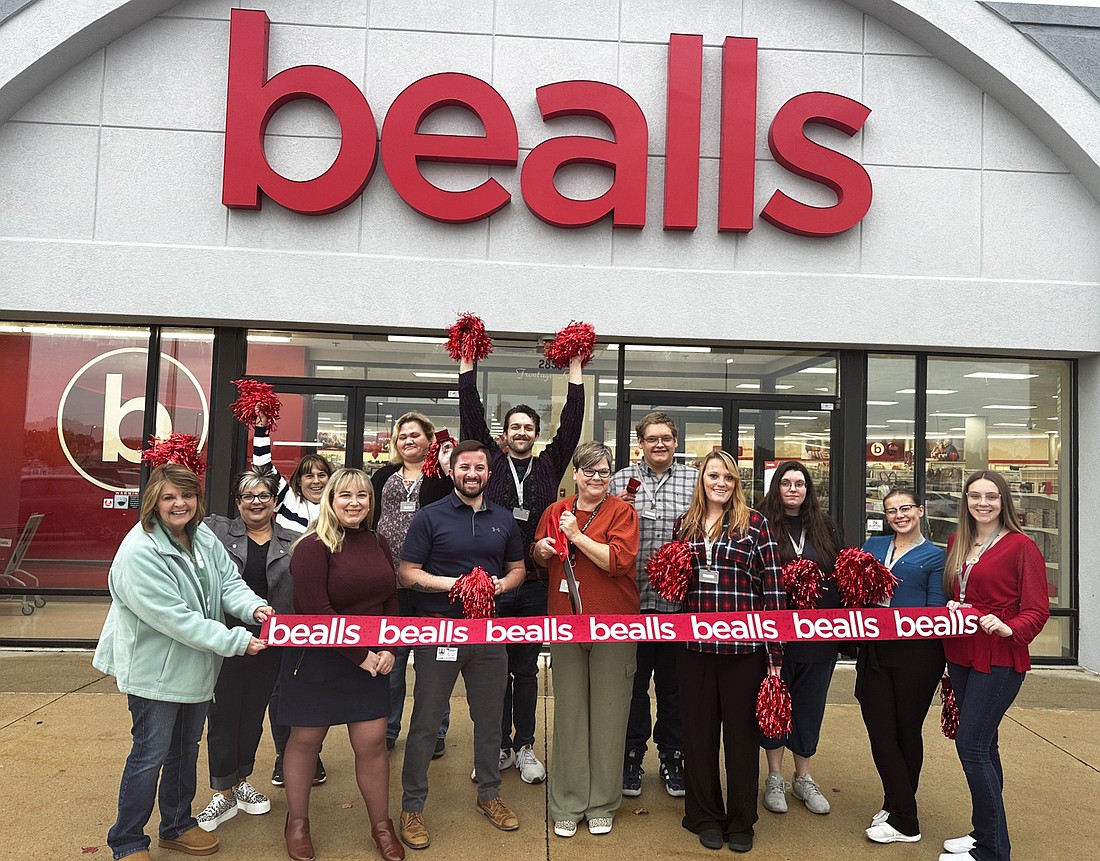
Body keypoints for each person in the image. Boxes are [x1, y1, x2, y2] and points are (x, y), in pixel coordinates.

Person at [93, 464, 272, 861]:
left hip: (195, 668)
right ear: (153, 500)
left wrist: (254, 608)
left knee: (185, 749)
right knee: (149, 754)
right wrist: (236, 640)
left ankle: (176, 825)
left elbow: (228, 582)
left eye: (187, 495)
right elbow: (176, 618)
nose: (180, 504)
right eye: (170, 496)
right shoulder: (140, 551)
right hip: (155, 672)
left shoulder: (201, 534)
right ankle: (127, 841)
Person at [458, 353, 584, 784]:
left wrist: (575, 369)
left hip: (533, 583)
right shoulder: (490, 460)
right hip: (492, 583)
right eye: (515, 427)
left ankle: (526, 744)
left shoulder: (550, 463)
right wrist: (465, 364)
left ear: (536, 434)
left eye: (529, 428)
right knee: (493, 669)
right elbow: (470, 413)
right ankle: (497, 746)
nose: (522, 433)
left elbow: (572, 423)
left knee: (526, 668)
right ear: (504, 434)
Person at [397, 440, 527, 850]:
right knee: (425, 722)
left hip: (487, 632)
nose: (472, 474)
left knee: (490, 721)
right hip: (439, 630)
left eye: (480, 468)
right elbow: (407, 573)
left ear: (490, 473)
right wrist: (455, 586)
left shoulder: (504, 520)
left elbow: (518, 568)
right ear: (452, 471)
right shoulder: (429, 517)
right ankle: (412, 805)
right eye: (465, 467)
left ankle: (489, 795)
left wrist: (500, 585)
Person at [278, 468, 404, 861]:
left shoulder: (379, 541)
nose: (354, 503)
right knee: (306, 741)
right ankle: (297, 822)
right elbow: (317, 611)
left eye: (363, 496)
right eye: (345, 495)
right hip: (320, 659)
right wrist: (362, 655)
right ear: (330, 500)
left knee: (371, 744)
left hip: (372, 661)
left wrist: (389, 649)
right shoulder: (313, 546)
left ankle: (382, 826)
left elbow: (390, 601)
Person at [675, 450, 784, 853]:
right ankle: (704, 814)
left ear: (737, 483)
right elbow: (675, 587)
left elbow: (773, 593)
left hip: (744, 651)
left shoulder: (755, 526)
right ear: (701, 480)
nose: (720, 483)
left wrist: (775, 659)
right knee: (698, 736)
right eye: (713, 475)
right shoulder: (683, 526)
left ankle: (742, 819)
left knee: (741, 739)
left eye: (728, 477)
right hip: (693, 648)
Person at [938, 471, 1049, 861]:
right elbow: (961, 591)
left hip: (999, 657)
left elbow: (1037, 609)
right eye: (974, 496)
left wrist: (1009, 627)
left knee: (972, 746)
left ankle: (993, 850)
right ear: (965, 501)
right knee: (987, 746)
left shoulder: (1022, 546)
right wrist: (956, 605)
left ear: (1004, 501)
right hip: (962, 653)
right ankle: (984, 832)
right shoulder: (958, 541)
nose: (982, 503)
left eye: (991, 496)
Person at [532, 442, 639, 838]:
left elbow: (618, 561)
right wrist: (542, 548)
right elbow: (540, 554)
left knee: (610, 715)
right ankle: (568, 800)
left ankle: (602, 802)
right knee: (570, 713)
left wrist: (575, 536)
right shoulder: (555, 512)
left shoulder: (622, 512)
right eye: (589, 471)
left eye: (604, 472)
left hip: (614, 625)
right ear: (574, 474)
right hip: (566, 624)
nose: (597, 478)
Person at [196, 467, 297, 832]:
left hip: (272, 644)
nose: (256, 502)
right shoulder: (216, 532)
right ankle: (222, 792)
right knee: (222, 715)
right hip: (224, 640)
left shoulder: (294, 541)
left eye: (264, 496)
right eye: (248, 496)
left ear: (275, 502)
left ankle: (241, 783)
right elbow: (181, 508)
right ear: (237, 503)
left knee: (253, 715)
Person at [609, 411, 697, 798]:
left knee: (675, 688)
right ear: (640, 443)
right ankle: (632, 755)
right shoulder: (617, 481)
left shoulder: (695, 480)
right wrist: (616, 505)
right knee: (633, 686)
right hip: (632, 601)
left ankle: (672, 755)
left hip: (680, 605)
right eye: (651, 439)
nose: (659, 445)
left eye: (666, 438)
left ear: (675, 442)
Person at [858, 489, 947, 844]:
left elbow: (935, 611)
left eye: (906, 508)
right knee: (880, 730)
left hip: (917, 656)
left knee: (905, 731)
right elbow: (856, 593)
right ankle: (896, 802)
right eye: (892, 510)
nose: (899, 515)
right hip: (875, 650)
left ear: (920, 511)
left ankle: (906, 821)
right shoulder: (873, 546)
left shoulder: (936, 557)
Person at [252, 409, 334, 785]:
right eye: (308, 475)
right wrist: (261, 428)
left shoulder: (341, 511)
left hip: (324, 614)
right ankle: (285, 756)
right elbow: (264, 467)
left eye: (322, 475)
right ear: (297, 482)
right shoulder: (286, 505)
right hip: (285, 611)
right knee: (281, 687)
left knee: (317, 686)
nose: (316, 480)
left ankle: (311, 755)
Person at [758, 460, 842, 816]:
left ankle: (803, 777)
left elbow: (840, 575)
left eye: (800, 484)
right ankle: (774, 777)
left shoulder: (825, 527)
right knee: (776, 705)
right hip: (775, 637)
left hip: (818, 637)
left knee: (809, 706)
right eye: (786, 483)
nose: (793, 489)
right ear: (776, 487)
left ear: (809, 490)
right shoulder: (760, 524)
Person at [371, 417, 454, 756]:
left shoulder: (441, 478)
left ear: (428, 440)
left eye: (415, 435)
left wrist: (447, 466)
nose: (408, 440)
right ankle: (389, 728)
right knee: (392, 662)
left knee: (434, 664)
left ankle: (435, 730)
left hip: (432, 583)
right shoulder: (381, 477)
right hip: (390, 587)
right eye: (402, 436)